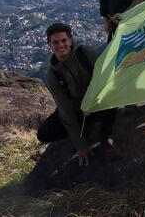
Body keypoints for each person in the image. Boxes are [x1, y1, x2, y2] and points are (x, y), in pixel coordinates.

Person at [37, 23, 117, 166]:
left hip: (98, 102)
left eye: (64, 40)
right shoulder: (52, 74)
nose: (60, 45)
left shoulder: (85, 53)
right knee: (43, 133)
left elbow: (106, 78)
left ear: (70, 40)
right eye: (55, 42)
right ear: (49, 44)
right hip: (77, 109)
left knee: (111, 103)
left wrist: (92, 102)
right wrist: (80, 145)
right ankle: (83, 129)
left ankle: (104, 137)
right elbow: (65, 109)